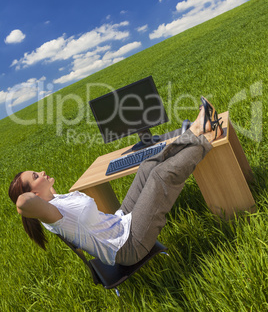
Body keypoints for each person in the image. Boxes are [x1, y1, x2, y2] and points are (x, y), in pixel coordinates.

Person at [9, 97, 223, 266]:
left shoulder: (56, 200)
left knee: (148, 166)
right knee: (160, 177)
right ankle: (207, 138)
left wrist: (44, 188)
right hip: (128, 245)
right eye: (36, 176)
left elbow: (39, 198)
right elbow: (22, 204)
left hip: (120, 221)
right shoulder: (52, 216)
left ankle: (195, 129)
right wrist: (27, 198)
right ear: (34, 195)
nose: (42, 171)